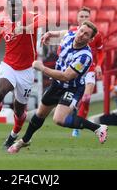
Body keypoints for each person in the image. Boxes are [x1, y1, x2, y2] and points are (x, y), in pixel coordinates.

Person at [8, 21, 108, 154]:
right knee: (40, 114)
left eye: (86, 34)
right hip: (56, 84)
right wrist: (51, 33)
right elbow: (64, 32)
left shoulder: (84, 56)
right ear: (77, 30)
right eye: (81, 31)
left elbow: (66, 76)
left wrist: (42, 68)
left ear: (90, 39)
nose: (81, 35)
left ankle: (98, 128)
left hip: (72, 88)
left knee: (59, 119)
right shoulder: (70, 35)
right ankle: (25, 141)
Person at [0, 0, 46, 149]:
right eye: (12, 6)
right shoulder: (3, 22)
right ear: (7, 8)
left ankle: (13, 136)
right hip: (8, 66)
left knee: (19, 110)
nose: (15, 9)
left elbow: (44, 19)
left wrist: (26, 28)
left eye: (18, 6)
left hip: (27, 70)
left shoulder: (30, 17)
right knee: (0, 92)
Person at [57, 7, 104, 138]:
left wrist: (99, 65)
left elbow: (101, 51)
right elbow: (61, 47)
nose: (83, 19)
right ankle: (73, 111)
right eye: (81, 17)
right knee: (70, 96)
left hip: (89, 68)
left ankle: (77, 127)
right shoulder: (72, 32)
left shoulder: (96, 35)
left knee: (87, 98)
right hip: (74, 69)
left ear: (90, 18)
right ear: (77, 18)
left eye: (86, 17)